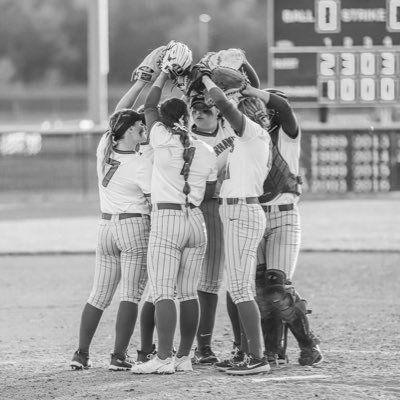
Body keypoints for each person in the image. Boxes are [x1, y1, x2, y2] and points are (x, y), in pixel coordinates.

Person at [130, 69, 218, 375]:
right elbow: (209, 191)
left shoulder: (159, 136)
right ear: (187, 118)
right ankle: (183, 356)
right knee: (189, 292)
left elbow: (149, 106)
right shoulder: (206, 149)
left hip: (167, 218)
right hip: (195, 220)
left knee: (163, 290)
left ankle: (163, 356)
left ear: (165, 121)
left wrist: (163, 76)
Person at [200, 71, 272, 375]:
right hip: (234, 212)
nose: (234, 110)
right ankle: (246, 353)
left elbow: (222, 103)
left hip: (243, 212)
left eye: (241, 106)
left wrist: (205, 77)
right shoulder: (243, 139)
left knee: (241, 289)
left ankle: (258, 357)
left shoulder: (252, 132)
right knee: (239, 286)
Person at [70, 108, 152, 371]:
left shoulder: (105, 148)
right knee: (130, 294)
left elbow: (117, 115)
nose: (144, 129)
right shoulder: (140, 164)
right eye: (140, 126)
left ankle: (81, 354)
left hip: (106, 226)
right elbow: (154, 203)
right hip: (134, 227)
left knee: (99, 294)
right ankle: (118, 355)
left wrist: (139, 83)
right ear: (128, 131)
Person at [188, 93, 236, 365]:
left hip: (237, 206)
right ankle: (202, 346)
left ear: (217, 112)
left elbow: (251, 86)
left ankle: (243, 345)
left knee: (242, 277)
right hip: (206, 208)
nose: (199, 113)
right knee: (208, 281)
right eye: (195, 109)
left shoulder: (230, 125)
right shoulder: (187, 139)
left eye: (205, 109)